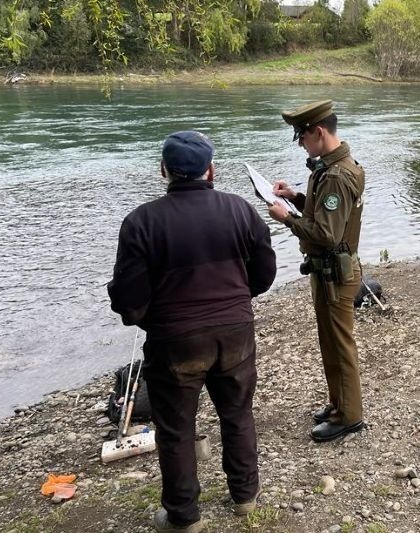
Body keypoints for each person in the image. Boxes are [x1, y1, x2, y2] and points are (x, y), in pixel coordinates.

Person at [108, 131, 277, 532]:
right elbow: (265, 274)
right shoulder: (240, 210)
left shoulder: (141, 222)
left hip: (175, 342)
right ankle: (245, 497)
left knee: (176, 428)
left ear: (164, 170)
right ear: (211, 170)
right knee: (237, 413)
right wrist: (234, 301)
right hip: (235, 332)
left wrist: (152, 317)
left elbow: (130, 302)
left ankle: (184, 516)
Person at [266, 100, 366, 443]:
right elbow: (324, 215)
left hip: (336, 276)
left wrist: (287, 219)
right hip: (327, 273)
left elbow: (326, 234)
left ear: (318, 132)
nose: (299, 143)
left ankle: (350, 416)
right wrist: (294, 197)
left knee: (340, 345)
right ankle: (339, 404)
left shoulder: (336, 175)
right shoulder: (331, 168)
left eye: (302, 135)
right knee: (330, 342)